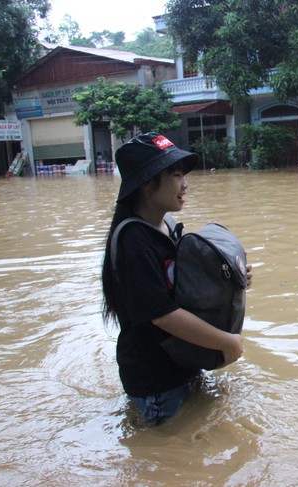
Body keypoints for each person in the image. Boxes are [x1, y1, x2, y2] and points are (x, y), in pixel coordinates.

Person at [100, 132, 248, 425]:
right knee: (166, 454)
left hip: (182, 364)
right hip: (156, 383)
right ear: (146, 184)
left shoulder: (166, 225)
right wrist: (227, 342)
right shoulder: (134, 240)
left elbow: (184, 284)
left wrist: (232, 277)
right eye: (176, 175)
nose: (185, 184)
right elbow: (162, 315)